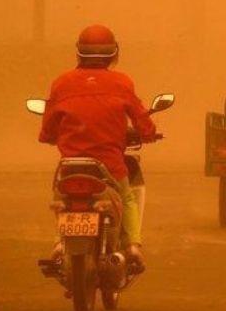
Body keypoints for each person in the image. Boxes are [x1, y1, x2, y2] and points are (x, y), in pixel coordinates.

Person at [39, 24, 157, 267]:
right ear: (113, 53)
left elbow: (48, 129)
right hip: (110, 165)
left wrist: (52, 137)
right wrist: (149, 134)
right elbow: (142, 120)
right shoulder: (122, 83)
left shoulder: (62, 83)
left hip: (71, 167)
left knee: (61, 199)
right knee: (127, 198)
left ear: (79, 53)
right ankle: (133, 246)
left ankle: (59, 243)